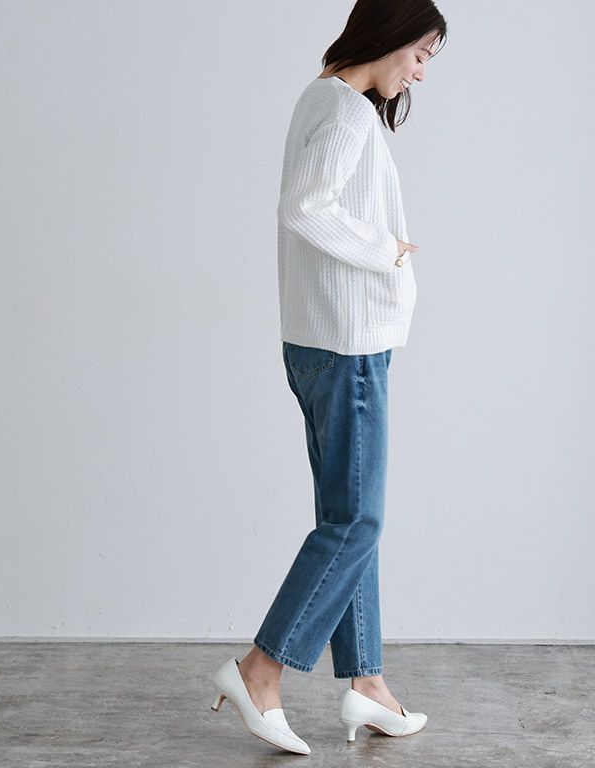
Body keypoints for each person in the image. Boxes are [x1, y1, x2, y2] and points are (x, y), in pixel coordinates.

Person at [211, 0, 447, 754]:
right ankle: (260, 671)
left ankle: (367, 685)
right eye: (420, 55)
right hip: (348, 347)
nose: (420, 73)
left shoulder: (323, 98)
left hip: (321, 342)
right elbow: (304, 207)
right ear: (389, 36)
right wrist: (387, 251)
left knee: (349, 515)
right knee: (355, 522)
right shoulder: (345, 111)